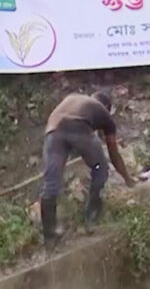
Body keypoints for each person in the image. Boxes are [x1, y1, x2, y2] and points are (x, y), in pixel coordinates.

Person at [41, 91, 133, 244]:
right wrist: (128, 180)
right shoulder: (104, 114)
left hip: (52, 131)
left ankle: (50, 236)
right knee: (100, 168)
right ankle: (91, 219)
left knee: (51, 184)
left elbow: (68, 137)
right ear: (107, 107)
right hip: (78, 127)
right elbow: (114, 154)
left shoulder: (72, 98)